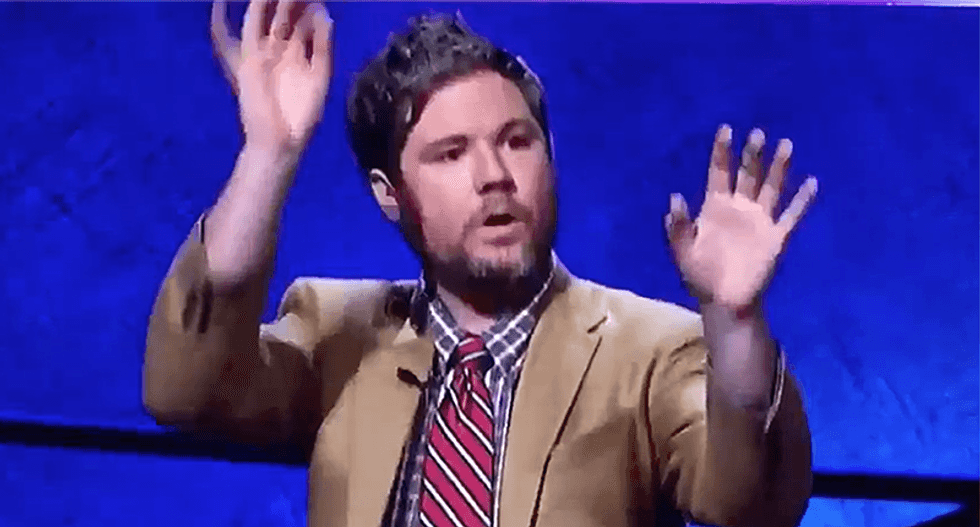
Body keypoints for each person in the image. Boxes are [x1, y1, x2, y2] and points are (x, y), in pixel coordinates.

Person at [143, 1, 817, 526]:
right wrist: (269, 155)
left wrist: (735, 322)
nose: (494, 175)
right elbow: (186, 391)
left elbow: (751, 503)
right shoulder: (335, 334)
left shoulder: (653, 352)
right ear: (389, 194)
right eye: (451, 153)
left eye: (517, 142)